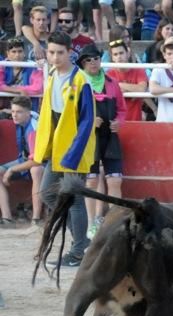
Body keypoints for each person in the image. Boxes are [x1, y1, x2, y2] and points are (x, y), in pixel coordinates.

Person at [33, 31, 96, 267]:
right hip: (58, 148)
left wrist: (74, 154)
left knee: (75, 200)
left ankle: (78, 250)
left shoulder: (81, 81)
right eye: (51, 52)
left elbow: (87, 121)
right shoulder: (51, 74)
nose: (55, 57)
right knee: (49, 193)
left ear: (70, 52)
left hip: (73, 150)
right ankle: (81, 242)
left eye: (60, 52)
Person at [77, 44, 127, 239]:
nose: (93, 63)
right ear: (82, 63)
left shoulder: (112, 82)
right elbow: (71, 112)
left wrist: (118, 122)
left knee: (115, 179)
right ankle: (91, 224)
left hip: (110, 136)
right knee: (91, 181)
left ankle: (116, 223)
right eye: (88, 60)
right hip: (89, 138)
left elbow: (121, 109)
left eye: (96, 58)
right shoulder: (79, 82)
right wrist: (89, 123)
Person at [0, 96, 43, 227]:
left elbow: (37, 160)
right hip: (24, 160)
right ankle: (7, 218)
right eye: (13, 112)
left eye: (19, 112)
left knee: (36, 170)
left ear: (28, 112)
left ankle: (36, 218)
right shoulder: (24, 120)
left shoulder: (34, 129)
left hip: (44, 163)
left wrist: (12, 170)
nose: (14, 115)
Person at [106, 39, 148, 121]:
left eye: (121, 53)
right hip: (116, 122)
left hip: (135, 121)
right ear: (112, 58)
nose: (119, 57)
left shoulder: (138, 70)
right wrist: (133, 89)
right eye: (115, 54)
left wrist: (119, 85)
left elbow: (142, 89)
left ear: (128, 54)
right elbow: (110, 94)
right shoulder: (109, 74)